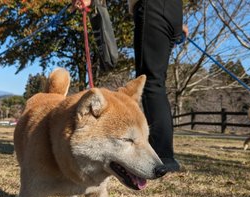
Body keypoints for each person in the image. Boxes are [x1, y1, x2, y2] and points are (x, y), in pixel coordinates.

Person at [74, 0, 188, 174]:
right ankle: (164, 154)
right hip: (173, 11)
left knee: (150, 81)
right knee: (157, 81)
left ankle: (163, 157)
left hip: (152, 7)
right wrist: (177, 22)